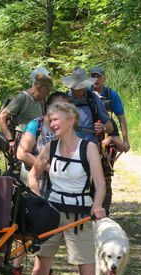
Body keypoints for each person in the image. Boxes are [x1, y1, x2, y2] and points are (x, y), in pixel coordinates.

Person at [9, 102, 111, 275]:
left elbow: (100, 185)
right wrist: (37, 199)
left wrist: (97, 206)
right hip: (52, 214)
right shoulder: (49, 147)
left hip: (79, 216)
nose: (51, 125)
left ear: (70, 119)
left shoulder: (88, 148)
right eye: (49, 121)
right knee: (38, 271)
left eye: (55, 120)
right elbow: (33, 174)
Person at [11, 91, 71, 275]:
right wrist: (45, 167)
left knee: (50, 227)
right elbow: (22, 152)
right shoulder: (35, 124)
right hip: (32, 181)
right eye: (58, 107)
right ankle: (16, 269)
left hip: (56, 186)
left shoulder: (65, 129)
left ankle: (45, 271)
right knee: (25, 227)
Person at [63, 67, 113, 215]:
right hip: (68, 149)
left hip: (90, 149)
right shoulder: (64, 101)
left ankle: (96, 211)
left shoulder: (93, 99)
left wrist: (102, 127)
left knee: (96, 183)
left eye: (81, 88)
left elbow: (110, 127)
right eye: (76, 88)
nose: (78, 91)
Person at [0, 73, 54, 148]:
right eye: (47, 91)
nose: (48, 94)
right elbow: (1, 117)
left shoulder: (41, 101)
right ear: (39, 88)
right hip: (19, 144)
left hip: (34, 143)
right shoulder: (23, 98)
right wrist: (10, 140)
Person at [90, 66, 130, 152]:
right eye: (93, 77)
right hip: (91, 126)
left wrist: (126, 140)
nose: (96, 79)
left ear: (104, 78)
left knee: (123, 148)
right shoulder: (85, 93)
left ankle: (111, 139)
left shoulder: (112, 94)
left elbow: (121, 118)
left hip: (109, 125)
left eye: (99, 77)